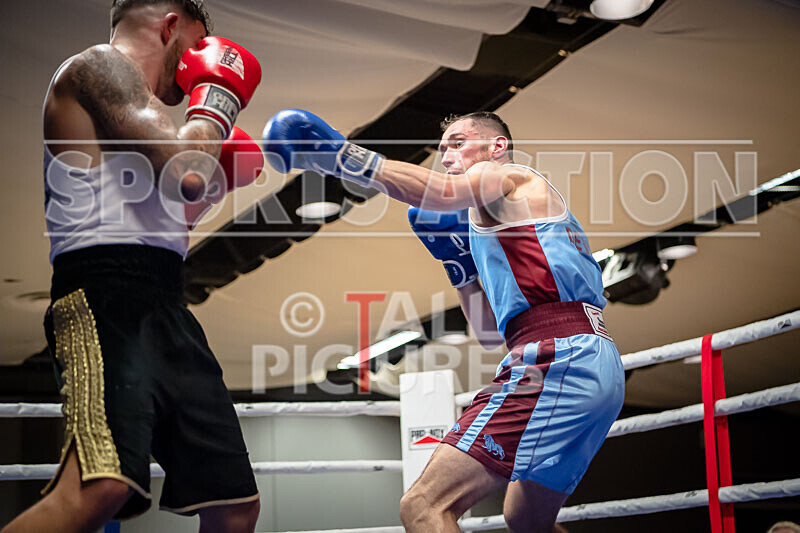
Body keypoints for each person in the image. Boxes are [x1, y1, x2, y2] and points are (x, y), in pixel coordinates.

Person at [262, 109, 625, 532]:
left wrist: (342, 157)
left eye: (458, 143)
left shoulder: (509, 177)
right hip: (591, 361)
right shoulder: (500, 224)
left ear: (497, 146)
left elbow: (440, 193)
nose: (447, 155)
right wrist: (460, 267)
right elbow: (487, 333)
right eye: (442, 148)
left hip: (557, 357)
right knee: (526, 519)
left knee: (423, 506)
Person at [3, 1, 263, 532]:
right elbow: (187, 173)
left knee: (234, 505)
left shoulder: (144, 121)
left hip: (165, 298)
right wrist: (219, 95)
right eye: (193, 47)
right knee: (100, 486)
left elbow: (170, 210)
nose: (191, 69)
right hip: (103, 296)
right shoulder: (98, 66)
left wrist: (214, 188)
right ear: (169, 26)